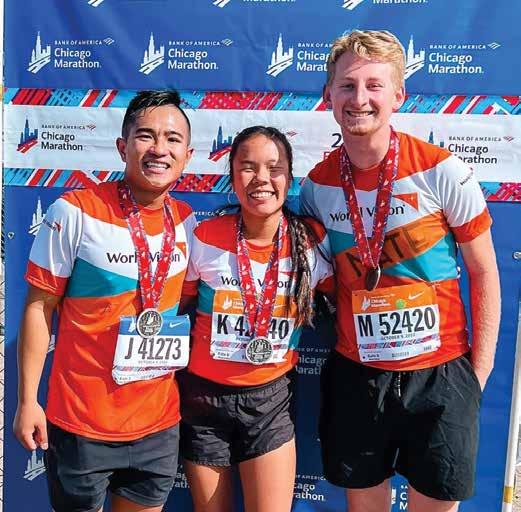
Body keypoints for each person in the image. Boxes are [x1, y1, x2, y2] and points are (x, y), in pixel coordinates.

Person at [300, 30, 501, 512]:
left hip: (439, 372)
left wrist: (479, 372)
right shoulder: (316, 187)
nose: (360, 98)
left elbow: (484, 271)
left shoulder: (441, 170)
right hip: (358, 373)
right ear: (329, 95)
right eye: (347, 86)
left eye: (374, 85)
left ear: (398, 96)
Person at [13, 90, 196, 512]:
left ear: (187, 156)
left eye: (172, 139)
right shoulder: (74, 211)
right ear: (122, 146)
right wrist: (27, 401)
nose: (159, 149)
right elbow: (39, 307)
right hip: (81, 422)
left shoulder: (186, 220)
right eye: (146, 136)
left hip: (158, 426)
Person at [178, 126, 334, 512]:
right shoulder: (204, 235)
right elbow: (177, 306)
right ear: (232, 178)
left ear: (289, 179)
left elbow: (344, 301)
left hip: (271, 399)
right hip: (203, 398)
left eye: (274, 168)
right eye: (247, 167)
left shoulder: (312, 242)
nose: (261, 178)